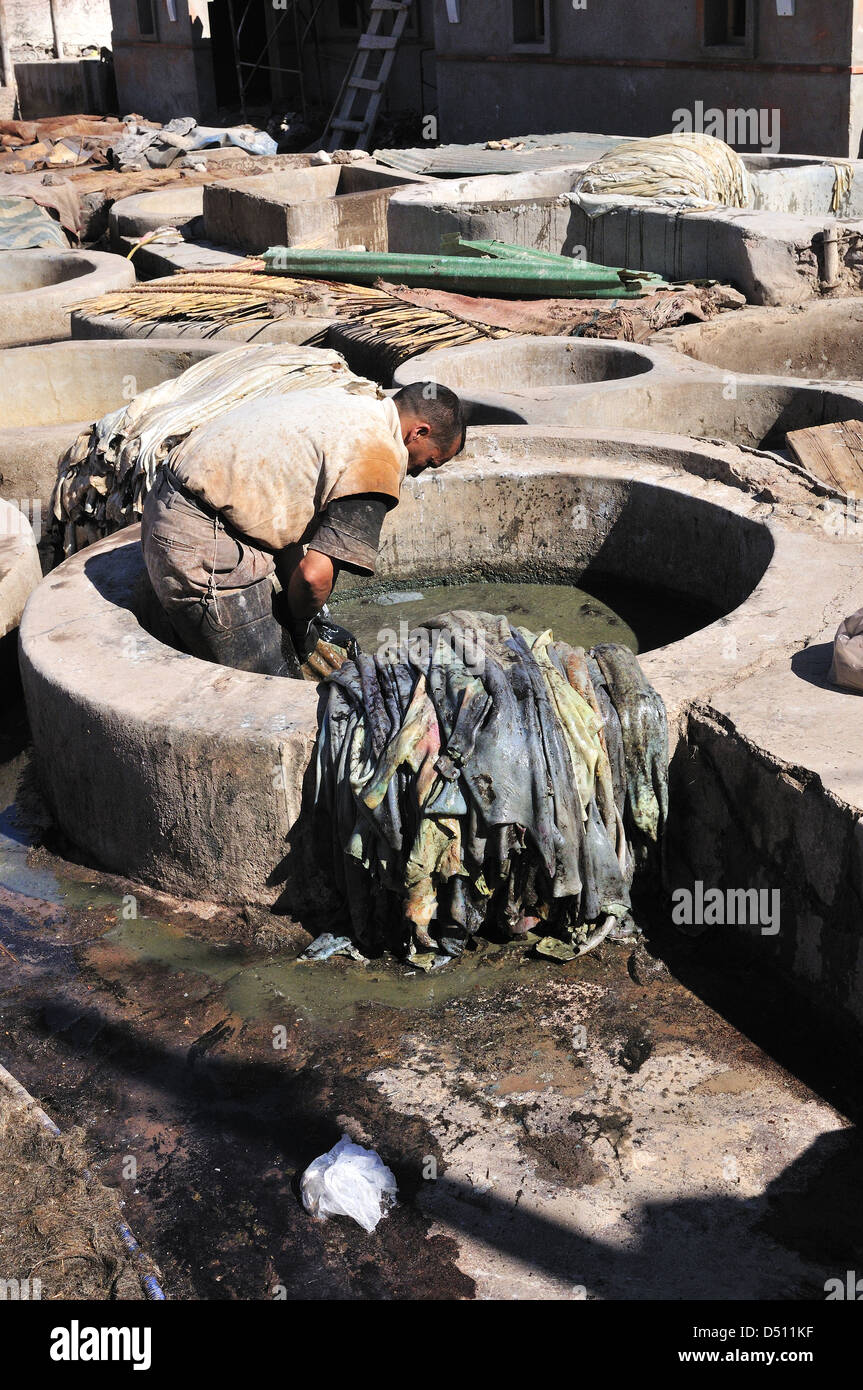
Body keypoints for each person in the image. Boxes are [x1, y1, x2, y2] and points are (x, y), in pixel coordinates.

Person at [140, 380, 466, 677]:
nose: (420, 473)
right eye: (431, 462)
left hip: (167, 502)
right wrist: (301, 627)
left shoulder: (353, 400)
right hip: (198, 540)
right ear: (419, 433)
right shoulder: (377, 457)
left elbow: (285, 529)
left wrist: (304, 621)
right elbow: (314, 576)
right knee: (273, 690)